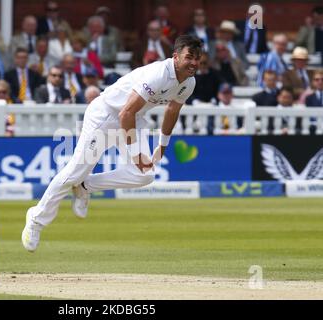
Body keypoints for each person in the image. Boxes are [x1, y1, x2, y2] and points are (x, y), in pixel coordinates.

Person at [21, 35, 202, 252]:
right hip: (105, 116)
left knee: (145, 174)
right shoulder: (158, 74)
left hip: (132, 119)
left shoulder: (189, 82)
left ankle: (86, 186)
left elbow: (172, 110)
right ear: (175, 57)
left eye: (197, 59)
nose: (193, 63)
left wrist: (162, 145)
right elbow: (126, 111)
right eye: (189, 57)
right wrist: (137, 155)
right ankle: (36, 219)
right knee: (73, 173)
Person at [305, 70, 323, 134]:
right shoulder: (309, 98)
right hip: (314, 128)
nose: (320, 82)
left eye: (322, 79)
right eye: (317, 80)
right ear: (313, 82)